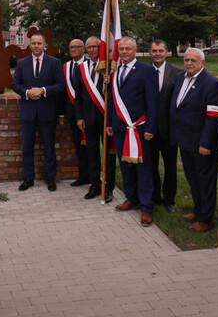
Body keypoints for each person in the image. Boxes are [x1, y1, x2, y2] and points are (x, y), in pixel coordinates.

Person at [168, 48, 218, 232]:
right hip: (184, 140)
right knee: (193, 179)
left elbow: (213, 116)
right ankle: (198, 210)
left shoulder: (212, 83)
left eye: (193, 60)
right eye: (186, 60)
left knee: (205, 182)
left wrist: (206, 143)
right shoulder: (180, 77)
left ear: (203, 63)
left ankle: (206, 219)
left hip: (202, 143)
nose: (189, 63)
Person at [106, 37, 158, 227]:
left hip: (140, 128)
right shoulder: (115, 71)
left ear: (135, 50)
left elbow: (153, 102)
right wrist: (110, 122)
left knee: (143, 168)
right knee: (126, 165)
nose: (124, 52)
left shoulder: (146, 70)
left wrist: (150, 127)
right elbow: (112, 100)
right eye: (121, 49)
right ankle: (132, 198)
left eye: (128, 48)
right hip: (121, 128)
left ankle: (146, 207)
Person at [12, 33, 64, 191]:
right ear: (29, 45)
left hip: (47, 111)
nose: (36, 46)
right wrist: (27, 93)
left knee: (49, 146)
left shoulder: (54, 62)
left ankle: (51, 177)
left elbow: (60, 85)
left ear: (44, 45)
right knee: (27, 147)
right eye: (33, 43)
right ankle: (29, 178)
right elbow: (15, 84)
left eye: (39, 43)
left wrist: (43, 90)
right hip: (28, 111)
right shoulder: (22, 63)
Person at [76, 36, 115, 203]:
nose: (92, 50)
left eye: (95, 46)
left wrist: (110, 81)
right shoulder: (81, 68)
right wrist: (79, 117)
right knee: (92, 152)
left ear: (101, 48)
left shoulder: (111, 66)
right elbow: (78, 95)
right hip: (88, 118)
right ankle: (95, 184)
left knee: (109, 154)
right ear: (85, 49)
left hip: (106, 118)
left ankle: (109, 186)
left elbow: (117, 92)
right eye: (89, 47)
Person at [148, 39, 182, 212]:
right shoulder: (144, 71)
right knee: (151, 165)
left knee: (170, 167)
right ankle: (155, 196)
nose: (158, 54)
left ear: (166, 52)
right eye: (154, 51)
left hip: (169, 129)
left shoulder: (178, 73)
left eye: (161, 51)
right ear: (150, 53)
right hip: (149, 129)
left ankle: (169, 200)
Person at [61, 39, 89, 188]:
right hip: (72, 114)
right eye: (71, 47)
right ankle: (83, 176)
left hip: (89, 114)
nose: (73, 49)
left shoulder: (90, 65)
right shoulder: (65, 67)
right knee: (79, 147)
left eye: (76, 47)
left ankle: (94, 176)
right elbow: (62, 92)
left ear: (83, 49)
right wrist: (61, 114)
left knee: (91, 147)